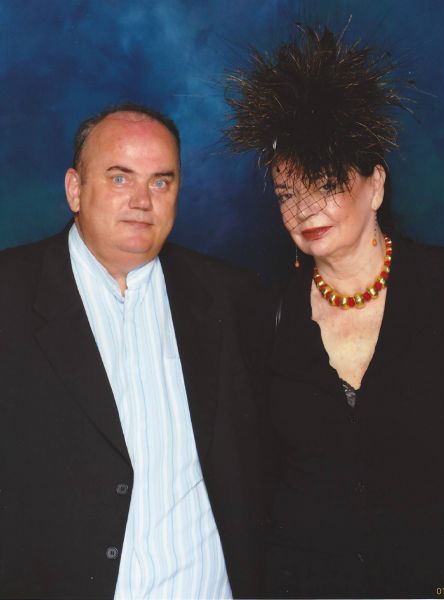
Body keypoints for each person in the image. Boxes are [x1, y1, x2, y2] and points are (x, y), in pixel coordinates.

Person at [225, 25, 444, 599]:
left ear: (375, 185)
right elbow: (258, 478)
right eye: (287, 193)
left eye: (326, 184)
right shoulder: (266, 315)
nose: (305, 209)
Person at [0, 103, 266, 599]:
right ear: (75, 189)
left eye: (161, 182)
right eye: (120, 178)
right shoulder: (9, 295)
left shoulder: (232, 297)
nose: (142, 201)